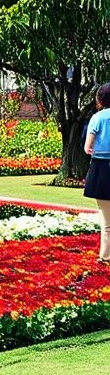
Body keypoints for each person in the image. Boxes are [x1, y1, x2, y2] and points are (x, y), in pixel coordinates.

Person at [83, 82, 110, 265]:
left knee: (106, 217)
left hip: (102, 168)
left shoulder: (98, 117)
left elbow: (88, 147)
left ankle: (105, 255)